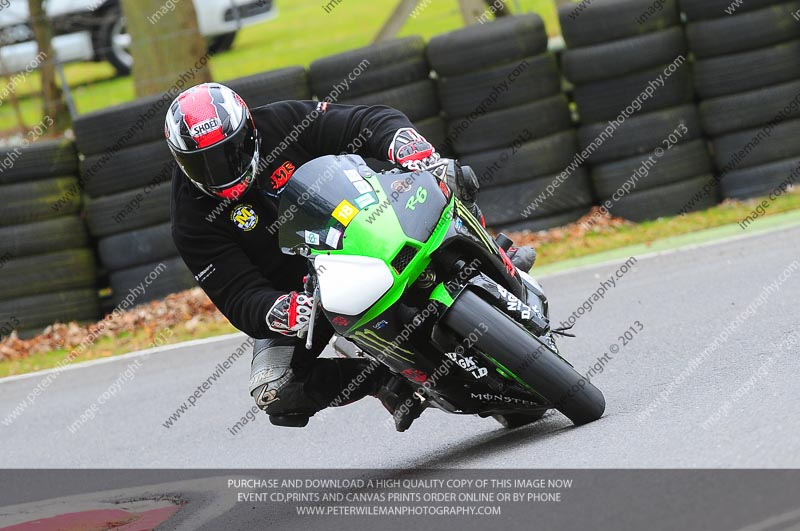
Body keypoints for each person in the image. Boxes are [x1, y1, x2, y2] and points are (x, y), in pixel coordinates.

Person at [166, 82, 535, 432]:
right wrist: (276, 309)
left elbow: (363, 122)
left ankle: (492, 252)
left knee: (448, 176)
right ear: (181, 162)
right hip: (309, 294)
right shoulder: (190, 220)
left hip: (364, 224)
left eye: (230, 152)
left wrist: (401, 143)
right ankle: (386, 378)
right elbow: (236, 293)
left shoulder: (280, 121)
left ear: (249, 132)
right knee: (275, 389)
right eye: (204, 163)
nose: (222, 169)